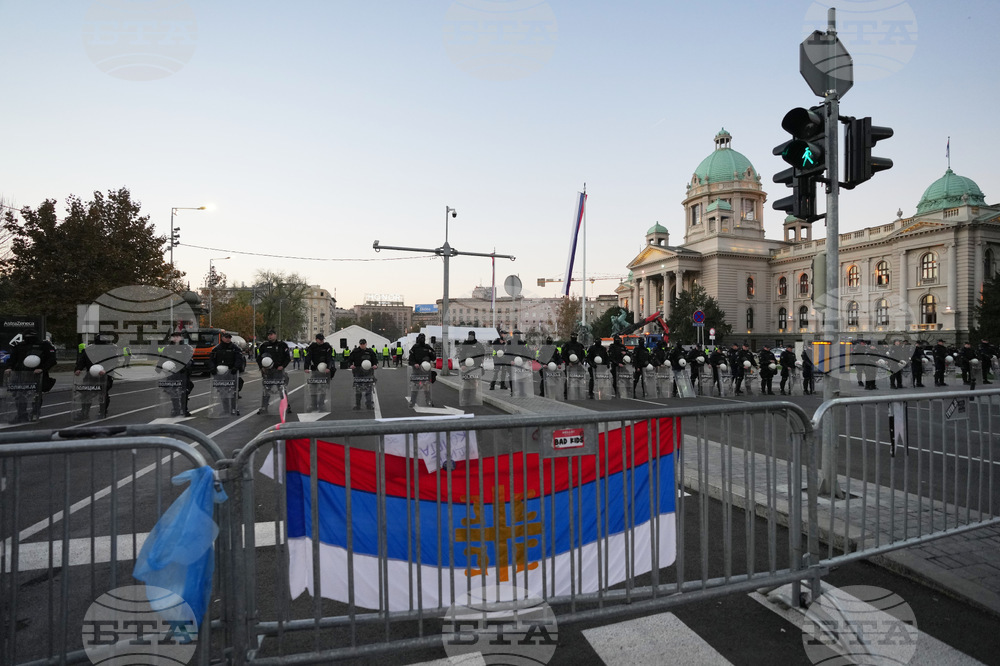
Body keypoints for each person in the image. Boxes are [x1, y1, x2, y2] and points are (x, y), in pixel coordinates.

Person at [6, 329, 57, 422]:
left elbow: (52, 359)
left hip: (37, 375)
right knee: (19, 394)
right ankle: (21, 414)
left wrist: (42, 369)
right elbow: (13, 358)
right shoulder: (19, 346)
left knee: (36, 395)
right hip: (21, 374)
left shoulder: (44, 345)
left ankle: (35, 412)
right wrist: (10, 367)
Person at [74, 332, 119, 418]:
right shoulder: (89, 349)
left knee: (103, 393)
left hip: (105, 375)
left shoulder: (111, 349)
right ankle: (84, 412)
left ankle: (102, 412)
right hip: (90, 375)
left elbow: (114, 362)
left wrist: (106, 370)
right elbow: (82, 360)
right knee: (85, 393)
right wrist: (78, 369)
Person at [156, 330, 193, 416]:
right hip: (171, 373)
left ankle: (184, 410)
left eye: (178, 336)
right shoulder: (167, 348)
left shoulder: (187, 347)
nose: (176, 338)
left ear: (181, 337)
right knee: (173, 391)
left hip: (182, 373)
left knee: (184, 391)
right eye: (174, 336)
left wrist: (185, 367)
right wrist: (158, 367)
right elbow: (162, 358)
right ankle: (175, 409)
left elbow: (189, 359)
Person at [209, 331, 247, 415]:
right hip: (220, 374)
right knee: (223, 392)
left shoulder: (235, 348)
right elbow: (211, 360)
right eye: (226, 337)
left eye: (229, 337)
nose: (228, 339)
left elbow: (239, 359)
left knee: (233, 391)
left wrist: (235, 367)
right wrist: (212, 368)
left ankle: (233, 409)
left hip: (231, 373)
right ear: (222, 338)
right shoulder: (216, 348)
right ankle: (226, 409)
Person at [257, 329, 292, 414]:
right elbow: (259, 358)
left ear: (275, 335)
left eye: (272, 334)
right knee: (266, 389)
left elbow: (287, 357)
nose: (270, 336)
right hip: (268, 371)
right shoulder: (264, 346)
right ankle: (264, 407)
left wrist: (283, 366)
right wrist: (261, 367)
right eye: (269, 334)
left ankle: (286, 406)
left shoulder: (282, 345)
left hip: (279, 371)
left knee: (281, 389)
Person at [305, 333, 335, 411]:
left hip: (324, 370)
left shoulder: (327, 347)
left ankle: (321, 405)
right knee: (313, 388)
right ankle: (313, 405)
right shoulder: (312, 347)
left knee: (323, 388)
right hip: (315, 370)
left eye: (323, 339)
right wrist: (306, 367)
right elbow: (308, 357)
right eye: (320, 339)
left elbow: (329, 358)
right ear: (316, 339)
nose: (322, 341)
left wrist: (328, 367)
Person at [349, 338, 379, 410]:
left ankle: (369, 404)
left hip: (368, 372)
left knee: (368, 389)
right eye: (361, 344)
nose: (362, 345)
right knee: (358, 389)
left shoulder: (370, 351)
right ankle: (357, 405)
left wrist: (375, 365)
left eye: (363, 344)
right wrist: (350, 365)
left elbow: (375, 360)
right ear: (359, 344)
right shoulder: (355, 351)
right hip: (358, 372)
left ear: (366, 344)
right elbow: (350, 359)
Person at [407, 333, 436, 407]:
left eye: (423, 337)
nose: (422, 339)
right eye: (421, 337)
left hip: (426, 371)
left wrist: (430, 354)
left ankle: (428, 400)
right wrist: (414, 364)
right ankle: (412, 401)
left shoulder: (427, 347)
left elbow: (433, 357)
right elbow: (410, 359)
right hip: (416, 370)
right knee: (415, 386)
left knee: (426, 386)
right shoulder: (415, 347)